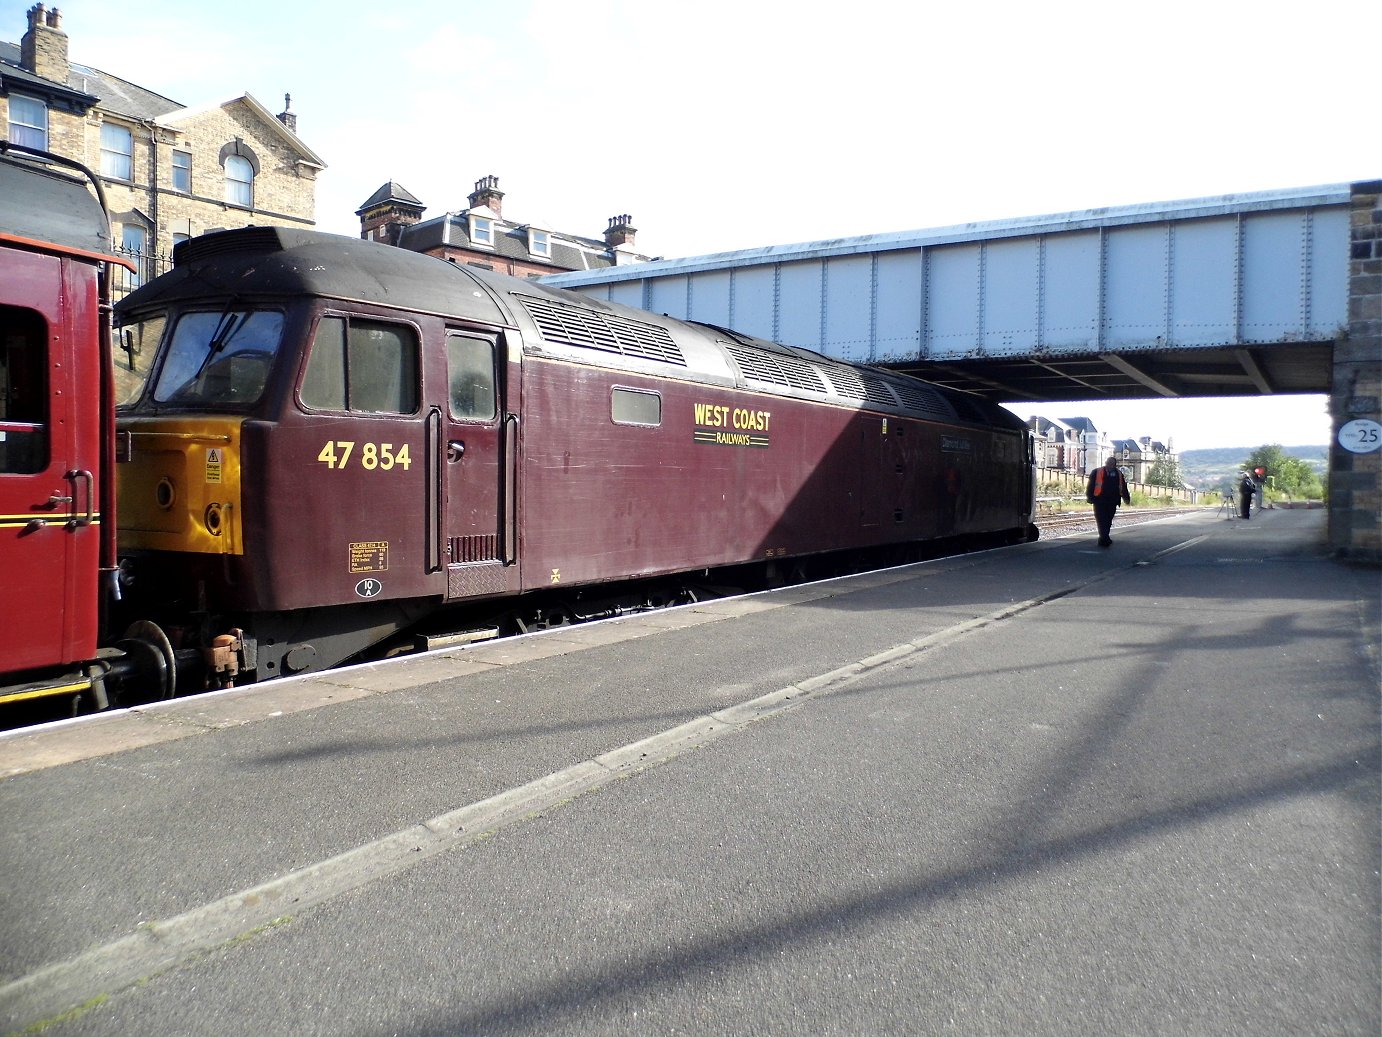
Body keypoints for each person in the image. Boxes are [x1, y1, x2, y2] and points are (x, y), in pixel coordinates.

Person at [1086, 455, 1131, 547]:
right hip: (1099, 501)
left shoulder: (1118, 474)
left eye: (1111, 464)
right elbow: (1090, 486)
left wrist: (1126, 498)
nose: (1109, 465)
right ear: (1106, 463)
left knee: (1108, 520)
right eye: (1108, 463)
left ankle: (1104, 537)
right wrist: (1090, 497)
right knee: (1101, 520)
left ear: (1114, 465)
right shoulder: (1096, 472)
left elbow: (1123, 487)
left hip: (1112, 501)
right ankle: (1104, 538)